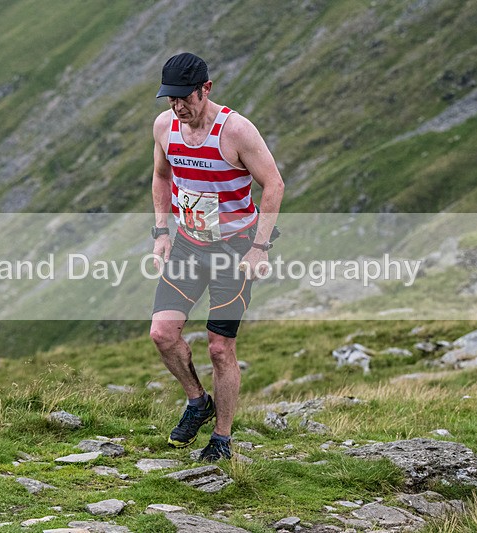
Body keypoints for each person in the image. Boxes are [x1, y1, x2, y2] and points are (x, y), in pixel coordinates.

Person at [149, 52, 284, 461]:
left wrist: (260, 248)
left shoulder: (236, 131)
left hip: (235, 249)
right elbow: (161, 176)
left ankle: (222, 439)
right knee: (162, 334)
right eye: (171, 98)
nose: (178, 106)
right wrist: (161, 232)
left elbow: (274, 184)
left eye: (185, 97)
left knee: (220, 348)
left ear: (205, 88)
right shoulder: (164, 127)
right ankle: (197, 401)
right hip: (189, 244)